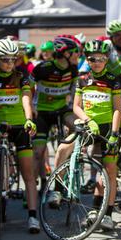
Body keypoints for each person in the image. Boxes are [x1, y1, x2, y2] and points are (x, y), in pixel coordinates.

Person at [0, 38, 40, 233]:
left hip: (20, 125)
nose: (10, 64)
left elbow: (27, 100)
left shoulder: (23, 77)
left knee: (28, 173)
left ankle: (33, 216)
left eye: (12, 60)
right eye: (5, 60)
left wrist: (29, 119)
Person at [57, 40, 121, 231]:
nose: (97, 62)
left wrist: (115, 134)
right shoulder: (82, 79)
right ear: (88, 59)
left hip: (107, 128)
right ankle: (58, 188)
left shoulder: (113, 79)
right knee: (62, 148)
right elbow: (76, 106)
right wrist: (87, 119)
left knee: (109, 170)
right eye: (93, 59)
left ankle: (106, 213)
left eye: (101, 59)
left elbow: (117, 109)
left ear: (107, 59)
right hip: (88, 124)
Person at [31, 36, 79, 200]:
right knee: (37, 152)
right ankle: (35, 185)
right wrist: (32, 106)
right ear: (64, 53)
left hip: (61, 110)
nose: (77, 55)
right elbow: (29, 85)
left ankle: (68, 158)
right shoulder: (43, 68)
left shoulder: (73, 69)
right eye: (74, 52)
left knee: (77, 125)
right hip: (42, 112)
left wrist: (72, 104)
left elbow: (73, 91)